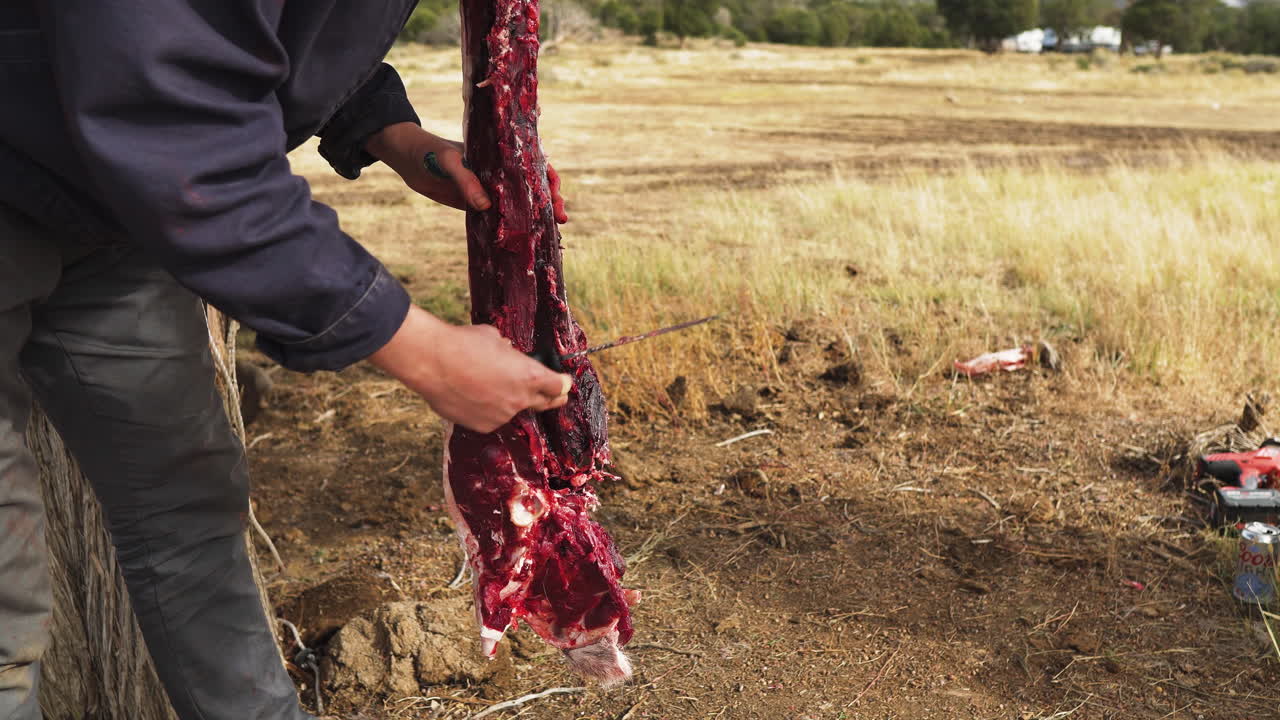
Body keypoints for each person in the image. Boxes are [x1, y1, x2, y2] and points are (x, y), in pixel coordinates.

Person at [0, 2, 573, 719]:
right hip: (112, 164)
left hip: (107, 210)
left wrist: (386, 129)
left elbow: (261, 25)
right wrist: (425, 352)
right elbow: (176, 119)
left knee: (186, 503)